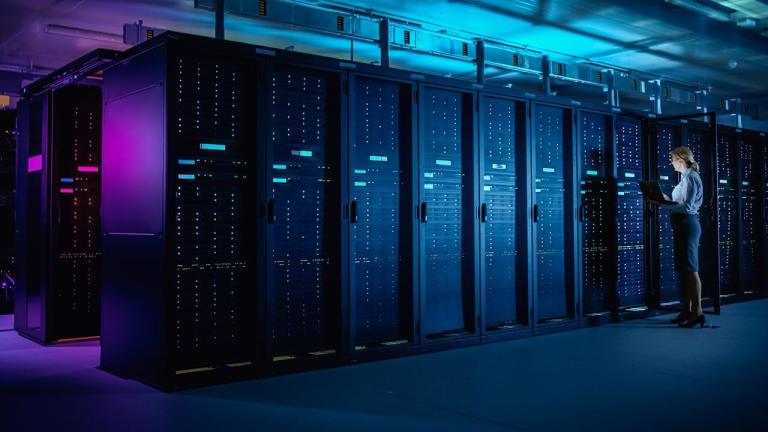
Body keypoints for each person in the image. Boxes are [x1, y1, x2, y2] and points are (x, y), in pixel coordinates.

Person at [657, 146, 705, 328]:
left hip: (687, 224)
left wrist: (664, 205)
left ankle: (698, 312)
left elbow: (686, 207)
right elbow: (680, 202)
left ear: (682, 159)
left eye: (673, 159)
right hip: (681, 225)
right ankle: (687, 310)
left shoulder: (691, 177)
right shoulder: (685, 178)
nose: (671, 163)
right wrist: (666, 199)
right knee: (684, 269)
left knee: (691, 269)